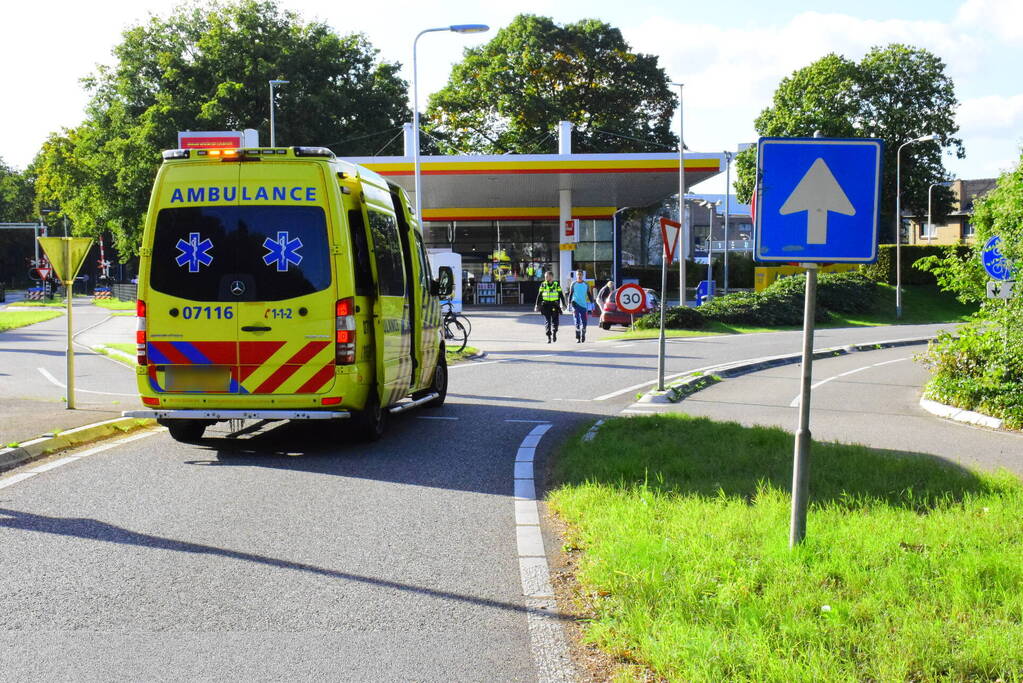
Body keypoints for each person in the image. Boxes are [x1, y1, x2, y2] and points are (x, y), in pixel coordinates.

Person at [534, 271, 566, 343]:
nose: (545, 278)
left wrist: (564, 304)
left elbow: (561, 295)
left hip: (554, 305)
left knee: (555, 321)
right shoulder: (543, 285)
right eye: (545, 277)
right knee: (547, 321)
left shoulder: (556, 284)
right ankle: (549, 337)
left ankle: (554, 333)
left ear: (551, 277)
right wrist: (536, 305)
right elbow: (539, 295)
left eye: (547, 276)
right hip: (546, 305)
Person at [567, 271, 596, 343]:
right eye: (578, 275)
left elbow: (589, 294)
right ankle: (578, 337)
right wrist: (569, 304)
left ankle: (583, 333)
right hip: (575, 304)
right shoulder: (573, 284)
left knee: (584, 322)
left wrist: (592, 303)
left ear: (582, 275)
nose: (579, 276)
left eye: (580, 275)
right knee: (577, 321)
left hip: (583, 305)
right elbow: (570, 294)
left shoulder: (585, 284)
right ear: (576, 276)